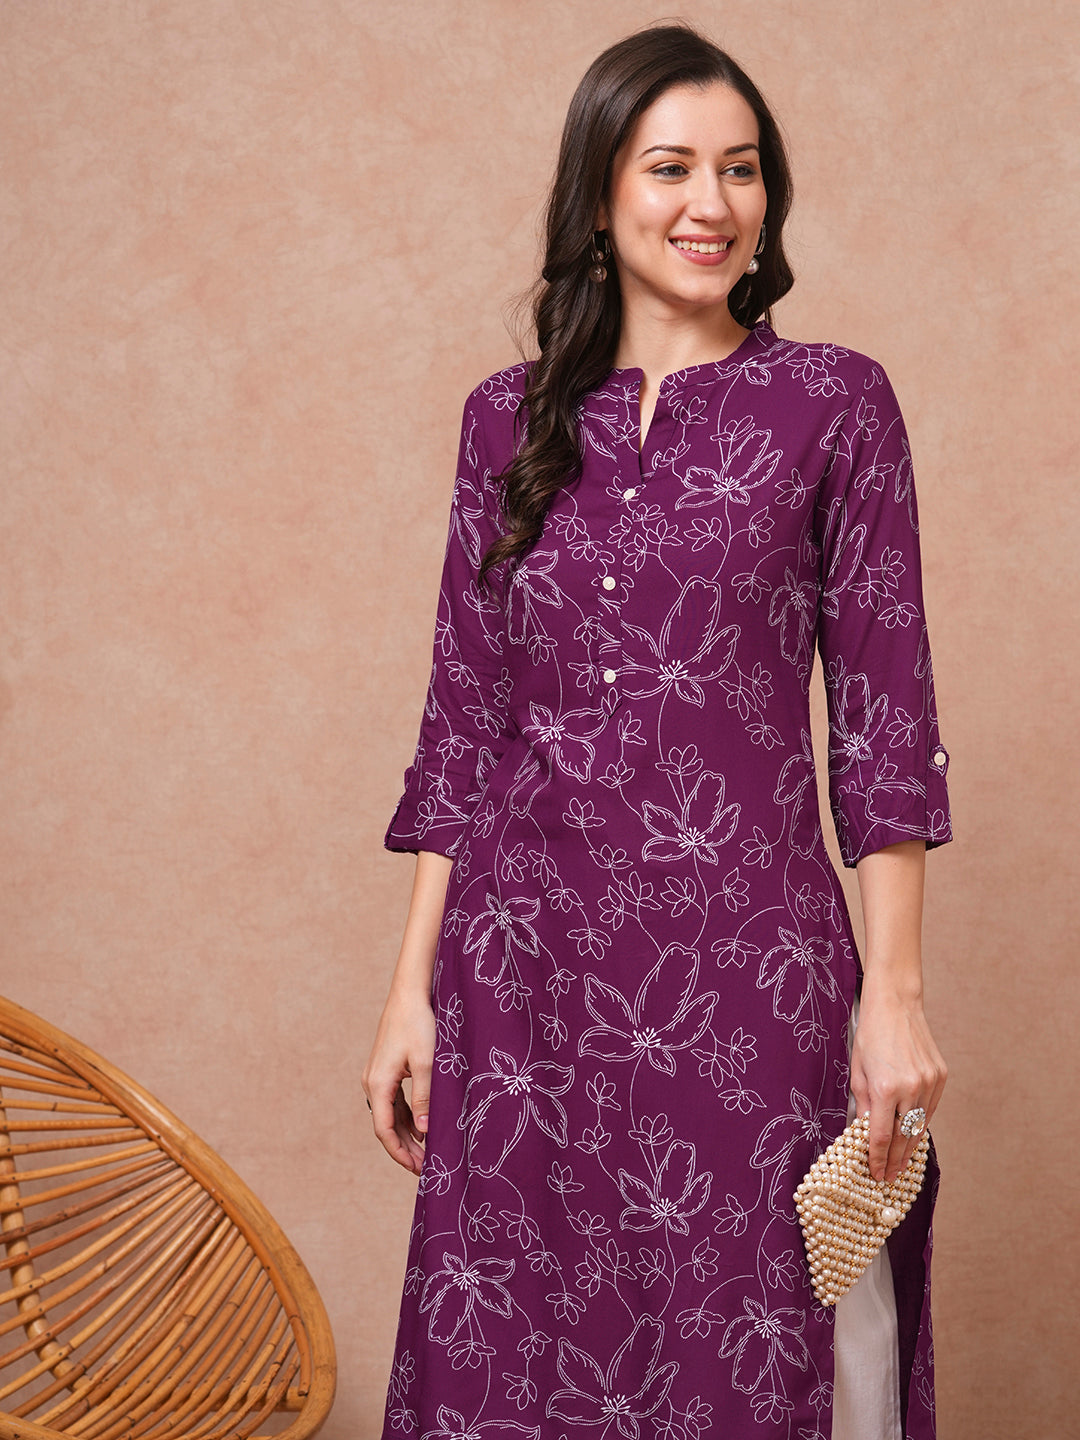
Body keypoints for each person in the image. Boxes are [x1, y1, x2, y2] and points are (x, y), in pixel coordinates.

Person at [363, 23, 952, 1440]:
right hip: (525, 976)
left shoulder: (835, 404)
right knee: (519, 1356)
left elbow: (886, 721)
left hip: (751, 969)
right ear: (598, 193)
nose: (713, 203)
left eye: (741, 170)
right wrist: (410, 990)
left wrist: (893, 994)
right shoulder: (506, 422)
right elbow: (466, 718)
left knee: (756, 1344)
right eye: (672, 166)